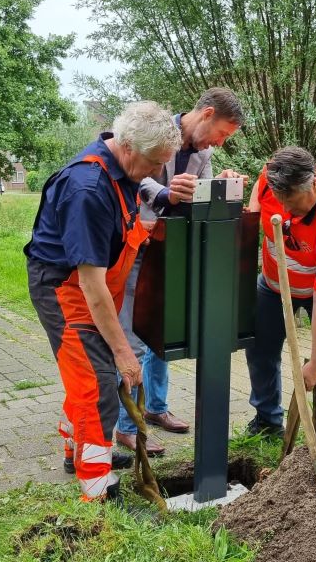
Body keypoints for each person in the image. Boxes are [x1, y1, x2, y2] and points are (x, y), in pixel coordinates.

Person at [25, 102, 196, 502]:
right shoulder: (88, 189)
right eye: (155, 162)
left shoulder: (123, 170)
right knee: (97, 383)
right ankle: (96, 486)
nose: (158, 172)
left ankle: (80, 450)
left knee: (89, 376)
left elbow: (118, 231)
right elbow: (91, 284)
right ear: (130, 146)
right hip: (65, 291)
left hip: (87, 288)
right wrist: (123, 352)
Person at [113, 87, 246, 456]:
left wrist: (220, 186)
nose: (219, 143)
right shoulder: (154, 133)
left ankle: (156, 408)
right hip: (136, 247)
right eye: (222, 133)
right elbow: (137, 178)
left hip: (171, 251)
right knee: (133, 338)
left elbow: (197, 199)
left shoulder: (204, 154)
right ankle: (126, 426)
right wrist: (167, 193)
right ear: (207, 114)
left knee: (164, 333)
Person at [245, 146, 316, 455]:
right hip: (274, 283)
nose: (285, 209)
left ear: (313, 184)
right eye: (280, 200)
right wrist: (253, 212)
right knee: (259, 347)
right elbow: (259, 188)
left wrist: (315, 362)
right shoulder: (274, 175)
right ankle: (267, 421)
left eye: (292, 202)